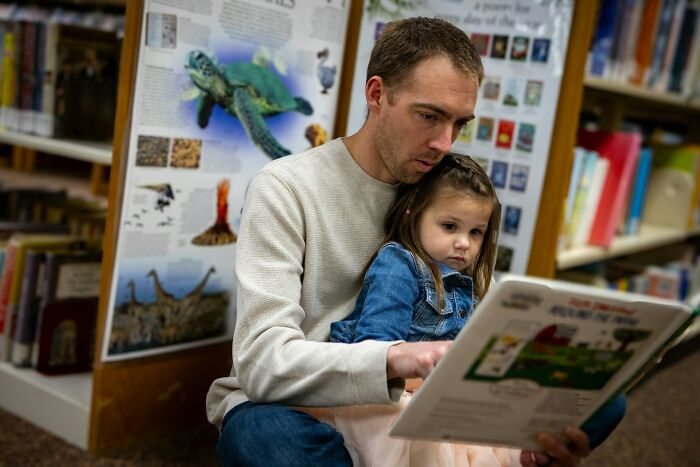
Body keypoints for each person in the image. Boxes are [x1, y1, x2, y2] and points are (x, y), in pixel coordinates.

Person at [207, 16, 615, 466]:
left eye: (459, 124)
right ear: (377, 94)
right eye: (429, 116)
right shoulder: (285, 186)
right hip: (302, 401)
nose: (444, 143)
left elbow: (476, 315)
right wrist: (398, 359)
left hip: (422, 401)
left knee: (603, 395)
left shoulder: (446, 194)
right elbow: (262, 363)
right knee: (264, 438)